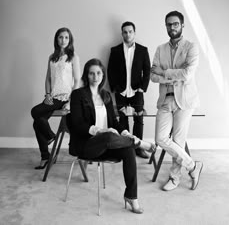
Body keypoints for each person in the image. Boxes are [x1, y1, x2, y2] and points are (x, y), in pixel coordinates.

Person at [67, 58, 156, 214]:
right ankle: (139, 143)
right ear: (86, 76)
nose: (95, 77)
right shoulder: (77, 95)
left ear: (103, 75)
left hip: (107, 144)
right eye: (91, 73)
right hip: (87, 146)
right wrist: (101, 131)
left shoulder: (106, 95)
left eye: (98, 73)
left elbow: (114, 123)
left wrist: (126, 133)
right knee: (108, 136)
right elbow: (77, 124)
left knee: (127, 150)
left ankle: (131, 197)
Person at [150, 11, 203, 191]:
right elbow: (152, 76)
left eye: (175, 24)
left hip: (185, 101)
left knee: (178, 141)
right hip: (165, 99)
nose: (172, 27)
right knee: (161, 138)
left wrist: (164, 72)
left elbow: (187, 75)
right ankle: (193, 166)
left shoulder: (191, 47)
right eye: (168, 24)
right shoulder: (160, 49)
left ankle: (174, 177)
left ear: (182, 25)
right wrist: (173, 75)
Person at [31, 27, 81, 170]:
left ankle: (50, 138)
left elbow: (77, 81)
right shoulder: (52, 57)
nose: (63, 40)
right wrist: (47, 95)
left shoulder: (73, 57)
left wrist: (71, 102)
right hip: (52, 97)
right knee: (37, 121)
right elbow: (47, 79)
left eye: (66, 37)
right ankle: (46, 155)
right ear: (56, 39)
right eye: (60, 37)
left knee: (35, 112)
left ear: (69, 39)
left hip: (65, 98)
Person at [107, 21, 151, 159]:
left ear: (134, 32)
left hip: (136, 91)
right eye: (125, 32)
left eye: (130, 31)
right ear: (122, 34)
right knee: (122, 120)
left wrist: (142, 88)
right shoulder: (115, 50)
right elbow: (110, 70)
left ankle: (138, 148)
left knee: (138, 119)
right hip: (121, 92)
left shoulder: (143, 50)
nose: (128, 34)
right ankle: (126, 148)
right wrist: (114, 88)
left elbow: (147, 71)